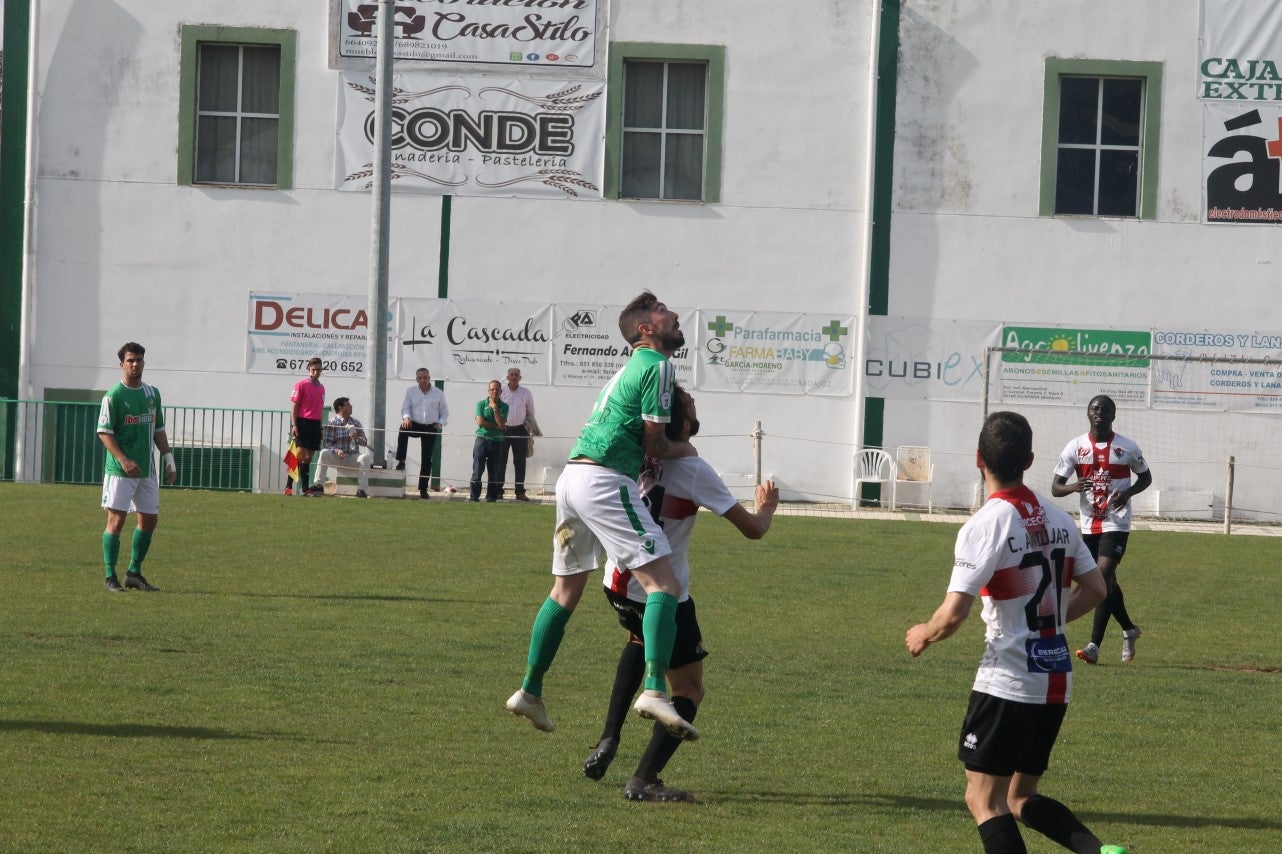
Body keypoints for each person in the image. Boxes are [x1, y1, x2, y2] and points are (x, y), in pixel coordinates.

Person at [906, 411, 1125, 854]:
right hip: (1056, 678)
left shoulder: (986, 524)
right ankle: (1098, 852)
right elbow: (1098, 588)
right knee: (1019, 796)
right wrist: (1051, 624)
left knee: (983, 799)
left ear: (977, 459)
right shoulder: (1058, 517)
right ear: (1029, 460)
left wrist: (922, 635)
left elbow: (952, 615)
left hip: (1007, 679)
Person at [506, 291, 699, 742]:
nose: (674, 315)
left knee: (566, 588)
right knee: (664, 584)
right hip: (605, 480)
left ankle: (530, 690)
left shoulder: (627, 370)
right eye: (665, 312)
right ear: (647, 329)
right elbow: (654, 445)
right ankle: (653, 689)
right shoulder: (657, 366)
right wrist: (684, 449)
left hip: (574, 477)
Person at [584, 385, 779, 802]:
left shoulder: (636, 453)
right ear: (685, 423)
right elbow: (753, 530)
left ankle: (608, 738)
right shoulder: (694, 470)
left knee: (639, 638)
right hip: (662, 589)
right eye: (689, 403)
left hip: (617, 580)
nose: (693, 403)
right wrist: (766, 507)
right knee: (689, 689)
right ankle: (644, 780)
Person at [1051, 394, 1152, 665]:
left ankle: (1094, 645)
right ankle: (1130, 629)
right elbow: (1056, 487)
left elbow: (1146, 477)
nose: (1099, 412)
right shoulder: (1075, 447)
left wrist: (1128, 493)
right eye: (1095, 408)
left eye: (1105, 409)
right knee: (1105, 582)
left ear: (1113, 415)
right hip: (1088, 524)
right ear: (1087, 413)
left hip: (1116, 523)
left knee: (1102, 574)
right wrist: (1072, 486)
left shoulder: (1127, 447)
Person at [96, 342, 178, 593]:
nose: (135, 364)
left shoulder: (152, 394)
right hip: (120, 472)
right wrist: (122, 459)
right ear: (122, 364)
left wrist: (168, 458)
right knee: (116, 520)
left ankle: (134, 572)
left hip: (147, 471)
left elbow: (158, 428)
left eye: (139, 360)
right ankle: (110, 576)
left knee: (150, 520)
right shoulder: (114, 396)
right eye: (130, 360)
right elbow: (104, 432)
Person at [395, 368, 449, 499]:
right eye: (420, 378)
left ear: (429, 377)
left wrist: (440, 424)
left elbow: (444, 412)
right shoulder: (411, 391)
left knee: (427, 458)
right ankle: (401, 460)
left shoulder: (438, 393)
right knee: (403, 429)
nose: (423, 380)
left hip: (431, 426)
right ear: (417, 379)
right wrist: (406, 417)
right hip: (414, 424)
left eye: (425, 377)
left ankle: (423, 489)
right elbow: (405, 408)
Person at [312, 397, 375, 497]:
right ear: (340, 408)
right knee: (324, 452)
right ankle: (319, 484)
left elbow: (364, 442)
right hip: (336, 456)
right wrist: (336, 450)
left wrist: (356, 438)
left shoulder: (356, 423)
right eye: (348, 405)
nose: (351, 407)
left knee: (365, 457)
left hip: (352, 456)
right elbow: (327, 443)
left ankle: (362, 490)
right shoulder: (331, 423)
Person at [287, 357, 326, 496]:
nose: (316, 372)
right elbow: (295, 405)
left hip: (315, 424)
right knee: (298, 455)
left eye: (318, 369)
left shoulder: (321, 388)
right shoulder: (301, 384)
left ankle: (305, 488)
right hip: (302, 422)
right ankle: (288, 486)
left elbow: (319, 409)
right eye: (313, 369)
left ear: (322, 370)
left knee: (309, 458)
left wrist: (320, 427)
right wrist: (294, 424)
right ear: (309, 369)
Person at [500, 367, 536, 501]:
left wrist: (527, 428)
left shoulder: (526, 393)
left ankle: (520, 492)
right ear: (507, 377)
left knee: (520, 462)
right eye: (511, 375)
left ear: (520, 378)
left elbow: (530, 412)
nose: (514, 377)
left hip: (520, 430)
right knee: (500, 461)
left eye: (516, 375)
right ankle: (498, 491)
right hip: (503, 430)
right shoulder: (501, 391)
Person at [470, 380, 508, 502]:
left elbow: (502, 422)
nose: (494, 391)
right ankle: (474, 497)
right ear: (488, 391)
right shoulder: (480, 404)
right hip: (482, 440)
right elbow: (480, 422)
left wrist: (495, 408)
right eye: (492, 389)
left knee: (494, 472)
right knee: (477, 470)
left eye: (497, 389)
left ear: (501, 391)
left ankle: (491, 497)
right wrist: (497, 427)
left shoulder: (505, 406)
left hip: (497, 442)